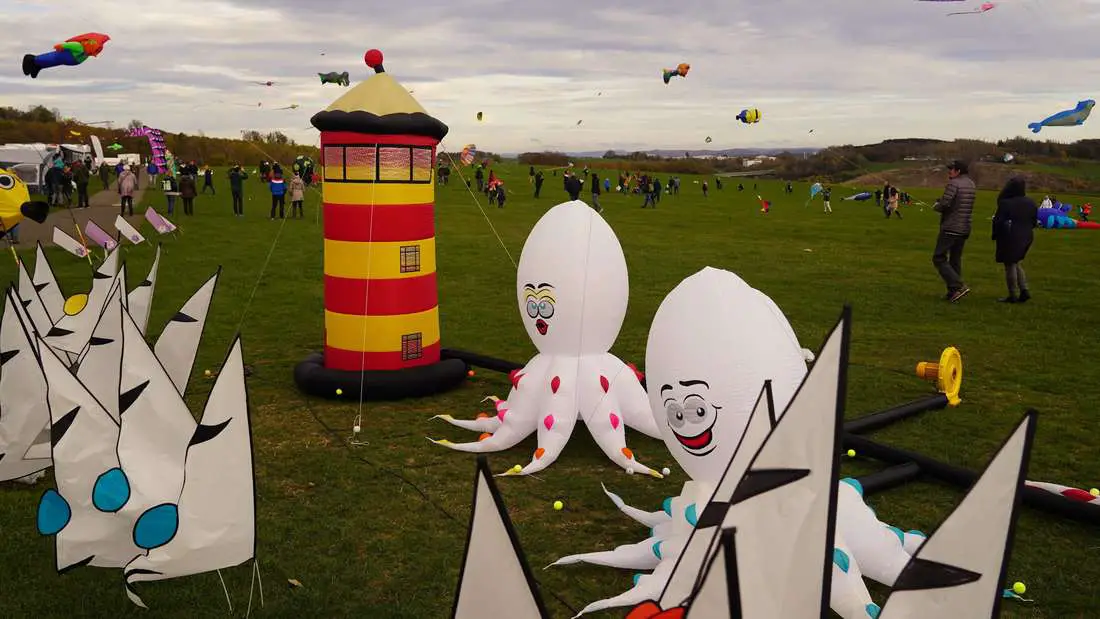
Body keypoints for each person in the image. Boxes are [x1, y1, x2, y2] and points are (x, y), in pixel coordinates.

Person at [932, 160, 976, 302]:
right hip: (964, 228)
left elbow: (946, 203)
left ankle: (958, 286)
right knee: (955, 260)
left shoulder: (953, 183)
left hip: (951, 227)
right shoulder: (971, 184)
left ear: (958, 171)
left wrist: (936, 206)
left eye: (951, 169)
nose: (949, 172)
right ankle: (953, 293)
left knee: (938, 257)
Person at [992, 176, 1036, 303]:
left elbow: (998, 221)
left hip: (1010, 236)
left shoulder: (1006, 203)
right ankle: (1024, 290)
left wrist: (995, 234)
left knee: (1009, 264)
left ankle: (1013, 294)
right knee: (1016, 262)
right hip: (1027, 236)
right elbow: (1033, 221)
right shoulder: (1030, 202)